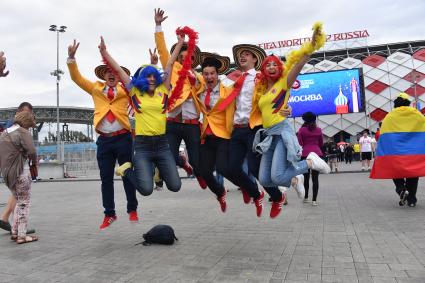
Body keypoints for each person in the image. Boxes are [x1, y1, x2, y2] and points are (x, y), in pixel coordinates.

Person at [252, 23, 330, 216]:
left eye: (274, 64)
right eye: (267, 64)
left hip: (282, 131)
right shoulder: (261, 91)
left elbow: (299, 64)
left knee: (278, 176)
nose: (270, 66)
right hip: (268, 135)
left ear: (279, 68)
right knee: (265, 179)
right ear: (263, 69)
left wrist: (312, 44)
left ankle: (310, 163)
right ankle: (295, 180)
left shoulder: (283, 84)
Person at [67, 40, 138, 230]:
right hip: (104, 141)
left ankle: (132, 208)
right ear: (104, 76)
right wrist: (71, 58)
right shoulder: (95, 89)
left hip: (123, 138)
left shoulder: (126, 91)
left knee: (127, 175)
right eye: (108, 72)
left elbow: (141, 88)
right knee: (105, 178)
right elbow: (76, 78)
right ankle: (109, 213)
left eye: (115, 72)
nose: (111, 75)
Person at [101, 33, 183, 197]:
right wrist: (104, 53)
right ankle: (125, 169)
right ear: (143, 79)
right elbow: (117, 69)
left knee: (175, 186)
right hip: (142, 146)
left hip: (162, 144)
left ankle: (159, 172)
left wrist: (180, 43)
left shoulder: (163, 89)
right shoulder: (135, 91)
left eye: (154, 76)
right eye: (148, 76)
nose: (152, 79)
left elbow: (170, 63)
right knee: (145, 190)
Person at [154, 8, 206, 189]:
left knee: (198, 161)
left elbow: (207, 92)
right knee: (169, 155)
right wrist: (158, 25)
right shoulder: (172, 70)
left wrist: (195, 80)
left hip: (192, 124)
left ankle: (198, 172)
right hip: (173, 122)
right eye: (181, 56)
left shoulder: (199, 77)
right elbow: (162, 51)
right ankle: (182, 163)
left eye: (188, 57)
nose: (184, 59)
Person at [195, 52, 241, 212]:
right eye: (206, 74)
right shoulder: (199, 90)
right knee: (204, 172)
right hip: (206, 137)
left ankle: (250, 188)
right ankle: (220, 192)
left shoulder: (227, 90)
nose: (209, 77)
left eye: (212, 73)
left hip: (223, 136)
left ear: (217, 74)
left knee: (223, 168)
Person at [370, 93, 425, 207]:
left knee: (395, 171)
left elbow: (384, 137)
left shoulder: (390, 116)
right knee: (413, 175)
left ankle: (401, 189)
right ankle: (411, 200)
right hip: (413, 152)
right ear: (408, 103)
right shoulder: (417, 115)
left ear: (396, 104)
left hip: (395, 152)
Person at [0, 111, 38, 244]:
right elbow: (32, 151)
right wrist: (33, 162)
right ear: (27, 122)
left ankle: (15, 231)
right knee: (24, 203)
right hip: (21, 171)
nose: (29, 128)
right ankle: (22, 236)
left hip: (7, 174)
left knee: (18, 199)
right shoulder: (23, 132)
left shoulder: (5, 132)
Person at [297, 111, 324, 206]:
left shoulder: (301, 130)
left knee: (306, 177)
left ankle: (306, 197)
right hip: (317, 154)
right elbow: (321, 144)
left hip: (305, 155)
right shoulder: (319, 130)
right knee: (315, 178)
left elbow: (300, 143)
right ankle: (314, 200)